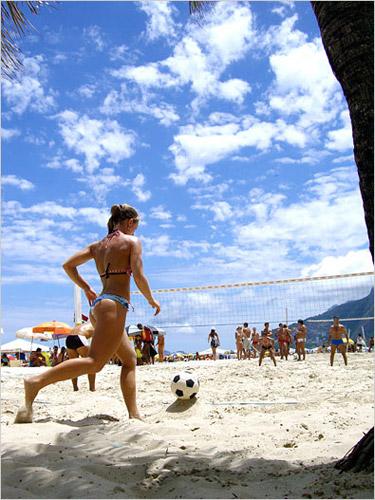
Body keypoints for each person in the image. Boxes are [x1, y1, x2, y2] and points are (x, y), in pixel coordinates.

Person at [15, 203, 160, 423]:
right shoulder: (132, 242)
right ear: (131, 222)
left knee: (129, 360)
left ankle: (134, 415)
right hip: (114, 306)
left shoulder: (97, 246)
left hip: (99, 304)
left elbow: (68, 265)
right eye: (135, 227)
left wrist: (86, 288)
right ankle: (36, 382)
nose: (135, 232)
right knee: (95, 362)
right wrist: (151, 299)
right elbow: (139, 276)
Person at [65, 322, 95, 391]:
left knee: (73, 365)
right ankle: (92, 388)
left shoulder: (84, 325)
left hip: (69, 338)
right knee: (91, 363)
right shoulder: (97, 325)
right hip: (80, 337)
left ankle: (75, 387)